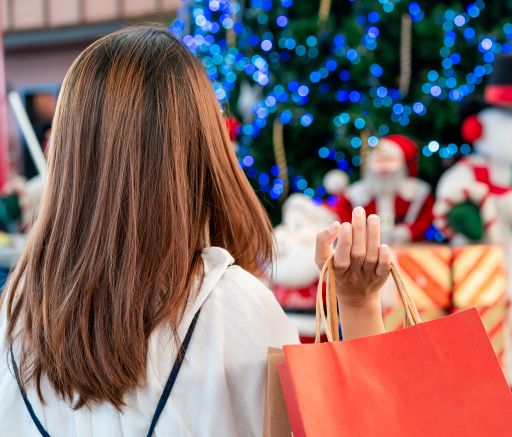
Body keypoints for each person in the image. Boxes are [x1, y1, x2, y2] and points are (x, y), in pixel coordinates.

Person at [0, 26, 390, 436]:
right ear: (202, 150)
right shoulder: (234, 308)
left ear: (67, 154)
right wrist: (359, 306)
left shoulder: (14, 318)